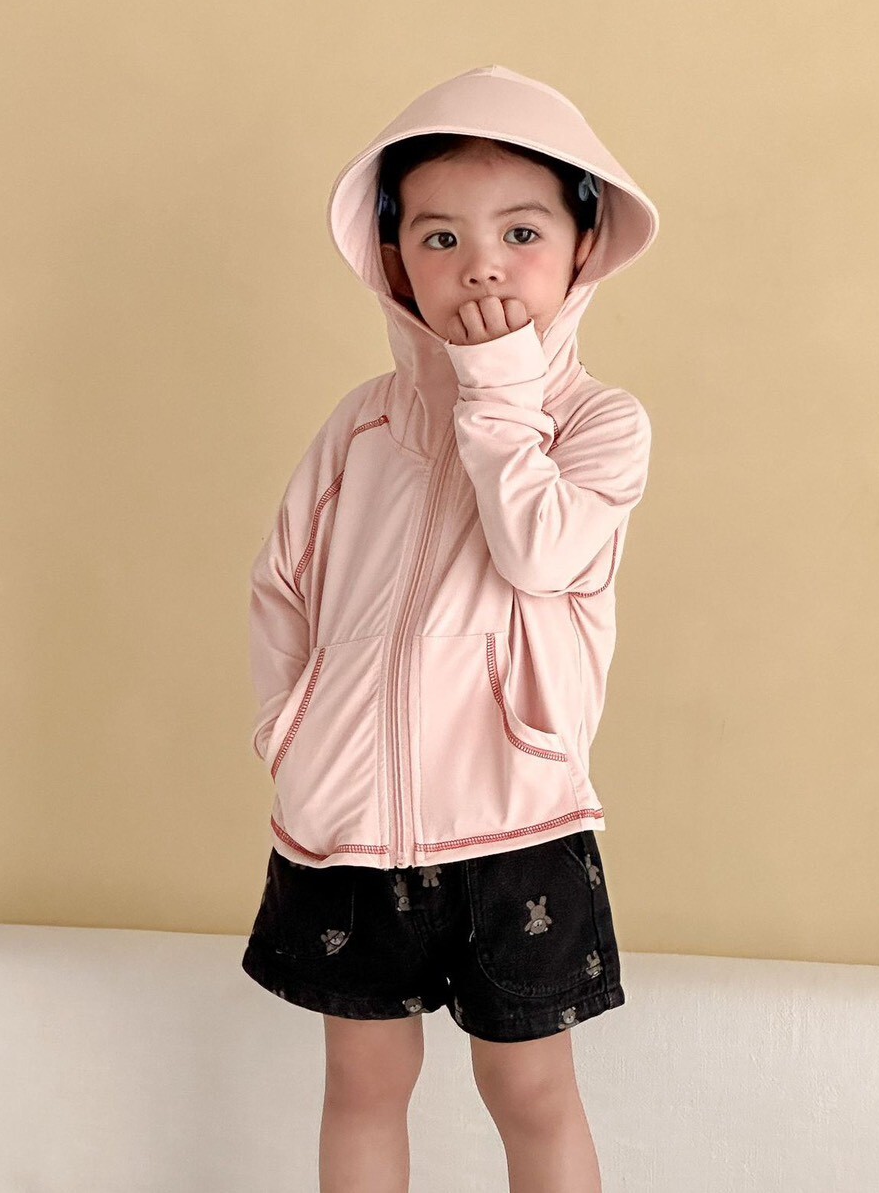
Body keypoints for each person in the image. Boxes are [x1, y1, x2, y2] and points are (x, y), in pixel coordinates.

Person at [241, 64, 660, 1192]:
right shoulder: (362, 427)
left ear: (583, 246)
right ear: (394, 264)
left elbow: (537, 551)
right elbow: (282, 586)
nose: (480, 264)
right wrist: (293, 735)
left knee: (530, 1092)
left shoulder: (600, 424)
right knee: (362, 1085)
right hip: (345, 824)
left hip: (516, 821)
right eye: (440, 238)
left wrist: (496, 387)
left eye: (520, 231)